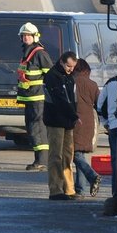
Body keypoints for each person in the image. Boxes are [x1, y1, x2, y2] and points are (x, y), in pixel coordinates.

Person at [43, 51, 79, 200]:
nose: (71, 69)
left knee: (67, 157)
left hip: (68, 122)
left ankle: (69, 189)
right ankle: (56, 189)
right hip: (55, 121)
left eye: (73, 67)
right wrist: (74, 115)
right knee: (56, 156)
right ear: (62, 62)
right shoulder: (52, 77)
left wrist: (73, 116)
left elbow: (72, 99)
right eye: (69, 66)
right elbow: (59, 100)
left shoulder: (69, 77)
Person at [17, 22, 53, 171]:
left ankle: (42, 161)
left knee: (37, 128)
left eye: (28, 35)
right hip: (29, 99)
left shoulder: (40, 53)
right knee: (32, 129)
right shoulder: (27, 52)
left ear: (35, 36)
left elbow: (50, 75)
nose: (26, 37)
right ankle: (39, 159)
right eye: (24, 35)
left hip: (37, 99)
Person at [71, 59, 102, 197]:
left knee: (73, 154)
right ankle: (80, 189)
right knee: (80, 154)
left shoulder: (71, 82)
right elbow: (99, 104)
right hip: (89, 121)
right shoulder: (93, 85)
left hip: (75, 121)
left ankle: (92, 175)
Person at [98, 74, 117, 214]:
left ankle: (116, 192)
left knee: (115, 161)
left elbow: (100, 105)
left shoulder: (110, 83)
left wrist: (106, 123)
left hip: (114, 126)